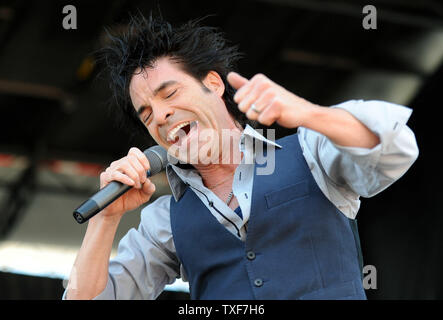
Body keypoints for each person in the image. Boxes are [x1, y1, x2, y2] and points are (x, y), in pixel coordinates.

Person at [64, 13, 418, 300]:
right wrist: (104, 220)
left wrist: (308, 114)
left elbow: (396, 147)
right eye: (146, 113)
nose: (160, 116)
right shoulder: (164, 220)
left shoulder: (310, 154)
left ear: (214, 84)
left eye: (169, 93)